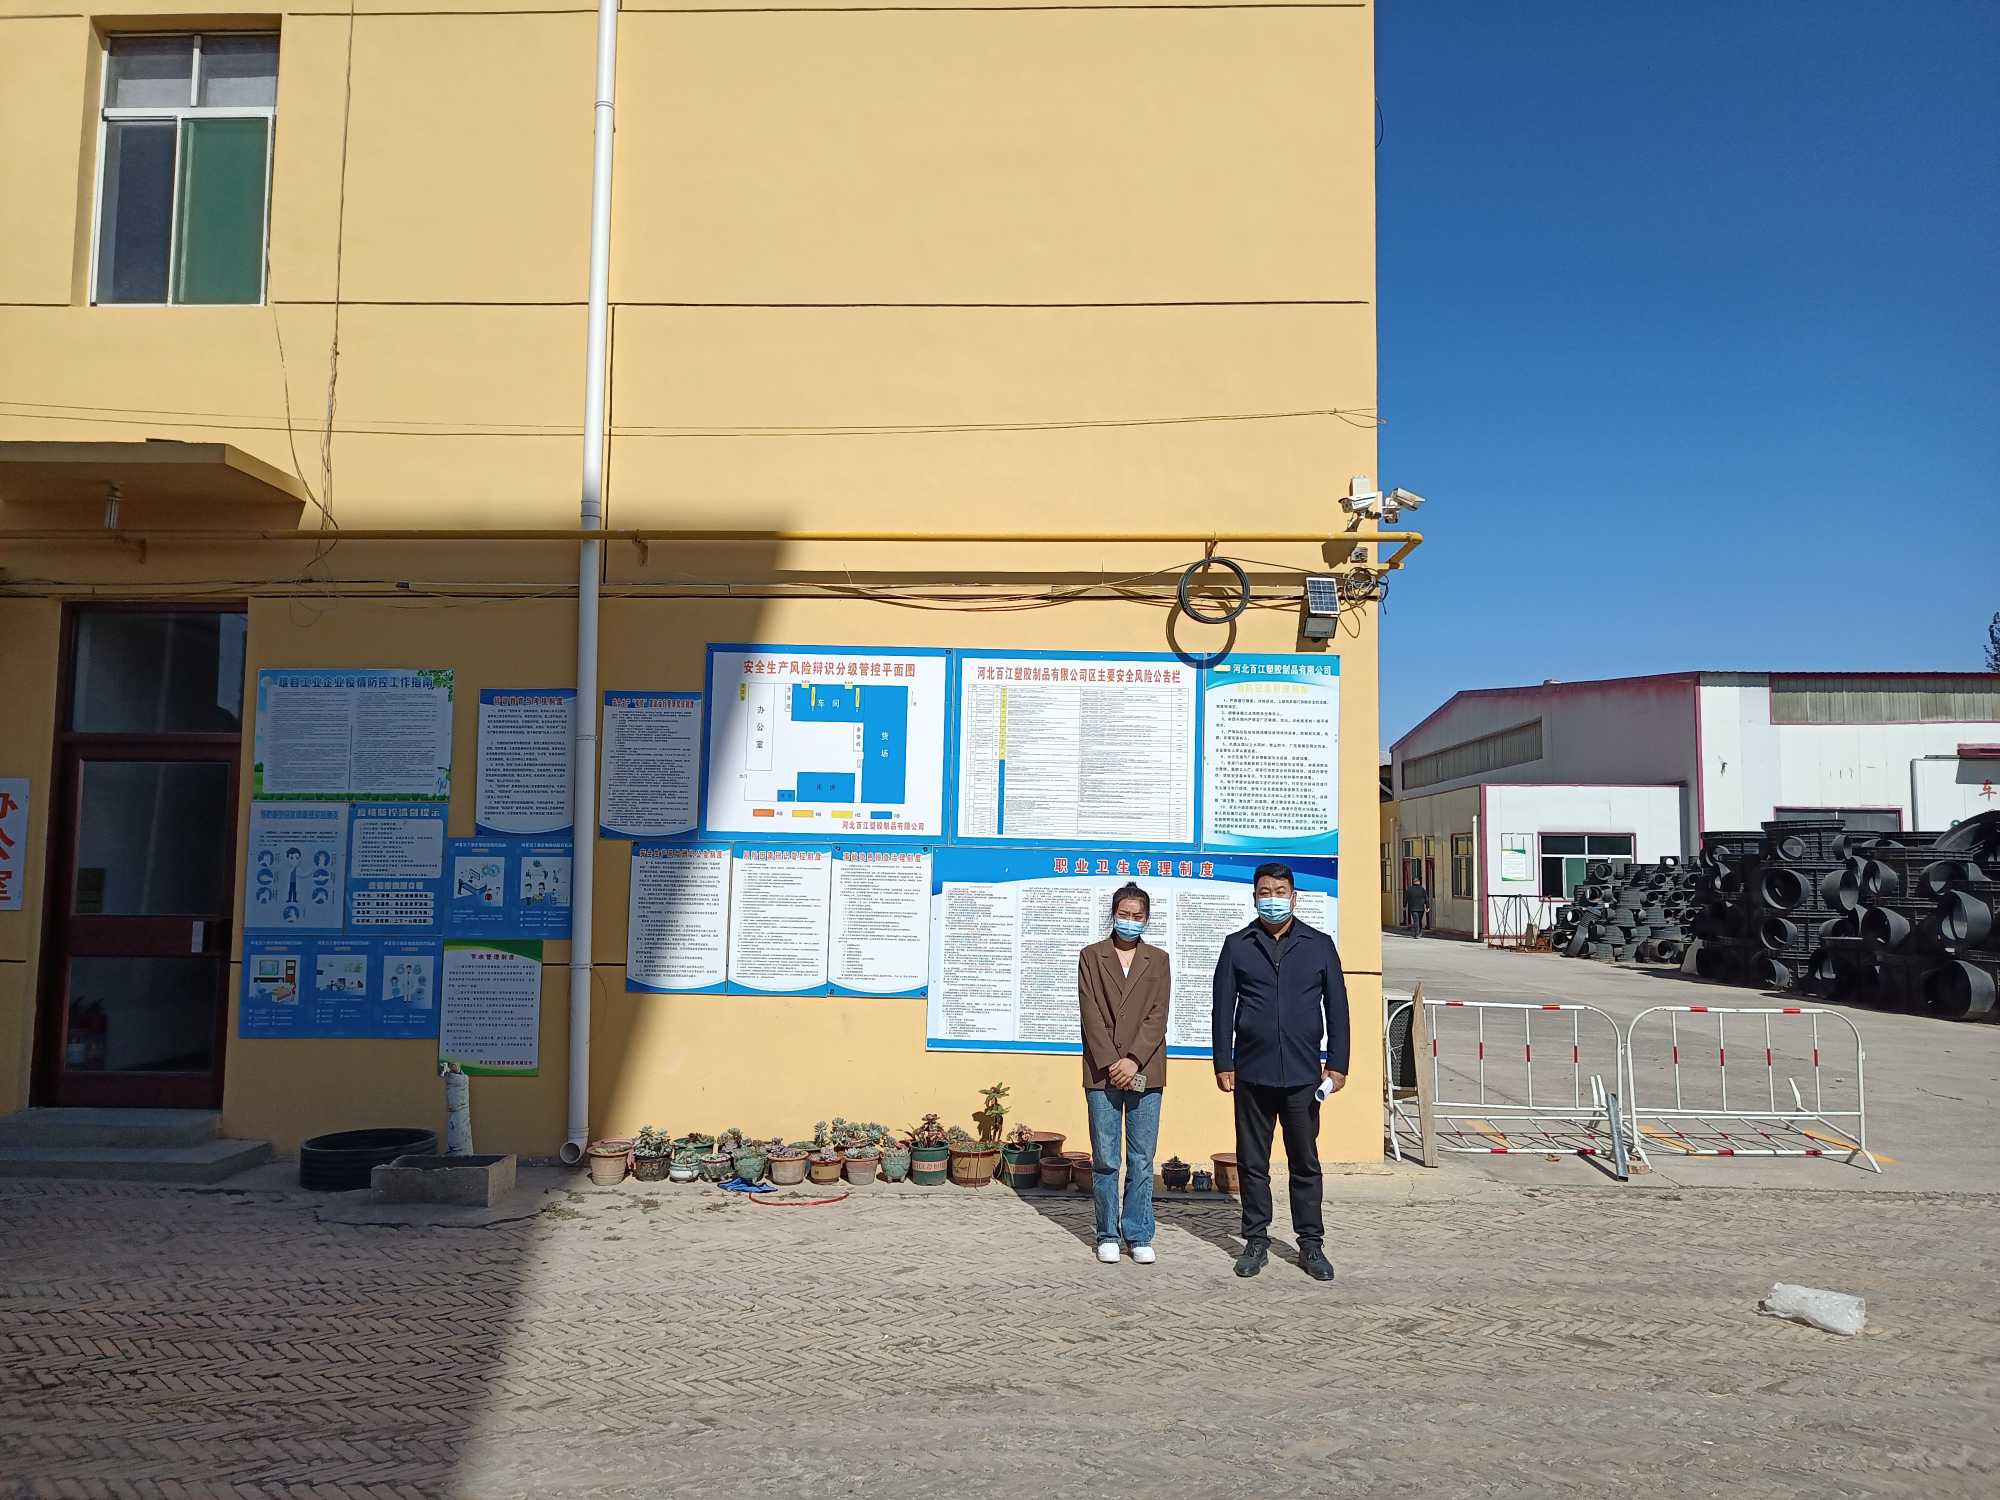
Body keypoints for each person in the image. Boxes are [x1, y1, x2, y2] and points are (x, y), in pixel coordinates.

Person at [1211, 862, 1350, 1281]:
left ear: (1294, 897)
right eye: (1265, 892)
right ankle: (1256, 1240)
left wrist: (1338, 1063)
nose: (1272, 899)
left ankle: (1311, 1244)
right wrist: (1224, 1062)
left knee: (1304, 1162)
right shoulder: (1238, 945)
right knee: (1253, 1163)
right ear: (1255, 897)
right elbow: (1222, 1009)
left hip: (1304, 1076)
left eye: (1280, 891)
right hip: (1252, 1073)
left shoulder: (1319, 945)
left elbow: (1338, 1008)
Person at [1078, 883, 1171, 1266]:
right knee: (1105, 1158)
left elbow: (1158, 1015)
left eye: (1137, 916)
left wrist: (1132, 1059)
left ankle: (1139, 1232)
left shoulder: (1158, 960)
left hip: (1146, 1069)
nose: (1130, 921)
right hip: (1101, 1072)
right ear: (1113, 914)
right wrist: (1113, 1061)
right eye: (1124, 914)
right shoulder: (1091, 956)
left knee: (1142, 1158)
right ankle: (1107, 1234)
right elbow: (1091, 1014)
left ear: (1146, 919)